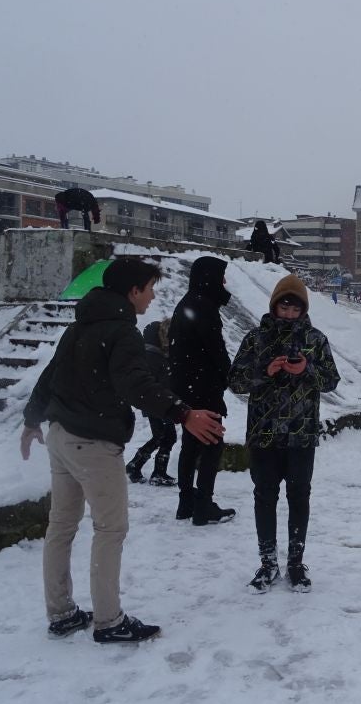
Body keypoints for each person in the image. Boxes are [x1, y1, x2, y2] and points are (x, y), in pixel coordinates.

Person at [20, 257, 225, 643]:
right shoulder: (122, 332)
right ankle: (109, 621)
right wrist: (183, 413)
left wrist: (32, 420)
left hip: (62, 435)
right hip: (94, 442)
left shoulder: (81, 325)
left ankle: (61, 612)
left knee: (61, 526)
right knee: (110, 528)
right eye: (150, 288)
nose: (152, 296)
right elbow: (136, 385)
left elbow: (51, 375)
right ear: (133, 291)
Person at [230, 275, 341, 592]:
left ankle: (295, 563)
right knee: (264, 497)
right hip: (263, 435)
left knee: (299, 497)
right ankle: (267, 563)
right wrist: (265, 371)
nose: (289, 312)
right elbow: (236, 381)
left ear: (303, 309)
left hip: (301, 435)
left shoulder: (316, 340)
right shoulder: (255, 339)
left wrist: (306, 369)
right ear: (275, 305)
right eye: (284, 305)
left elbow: (331, 380)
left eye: (295, 307)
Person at [169, 256, 236, 525]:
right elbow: (216, 350)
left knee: (190, 444)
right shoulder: (204, 306)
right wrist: (228, 375)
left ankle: (186, 501)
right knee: (212, 443)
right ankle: (203, 505)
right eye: (221, 277)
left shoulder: (187, 303)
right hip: (204, 387)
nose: (224, 282)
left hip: (185, 386)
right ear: (209, 277)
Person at [125, 319, 178, 486]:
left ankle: (136, 465)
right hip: (158, 403)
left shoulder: (153, 353)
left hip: (156, 403)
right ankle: (157, 473)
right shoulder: (154, 356)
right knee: (167, 436)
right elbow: (160, 382)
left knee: (160, 436)